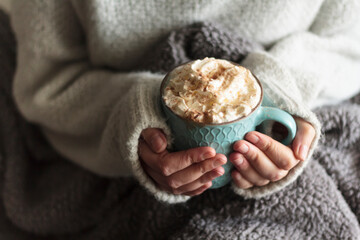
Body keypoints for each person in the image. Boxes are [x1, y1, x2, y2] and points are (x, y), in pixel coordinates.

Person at [10, 0, 360, 204]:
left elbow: (347, 42)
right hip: (106, 158)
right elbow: (49, 81)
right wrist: (133, 117)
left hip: (313, 103)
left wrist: (281, 94)